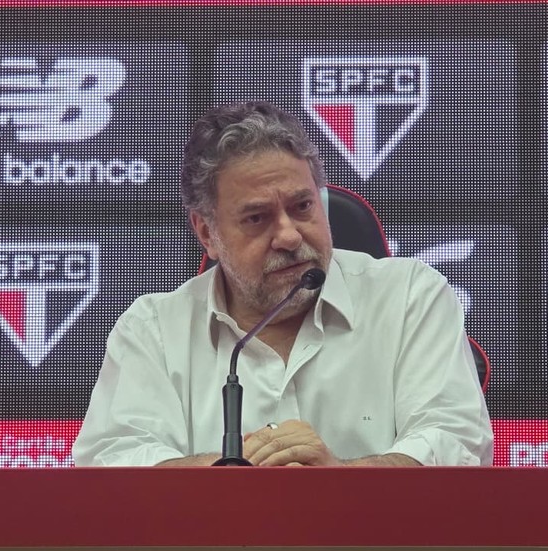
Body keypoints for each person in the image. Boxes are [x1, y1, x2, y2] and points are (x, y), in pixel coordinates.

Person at [72, 101, 493, 467]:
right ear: (206, 233)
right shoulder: (154, 329)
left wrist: (337, 480)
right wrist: (233, 474)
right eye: (257, 218)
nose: (289, 236)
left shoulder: (410, 298)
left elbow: (455, 442)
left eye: (302, 206)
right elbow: (111, 459)